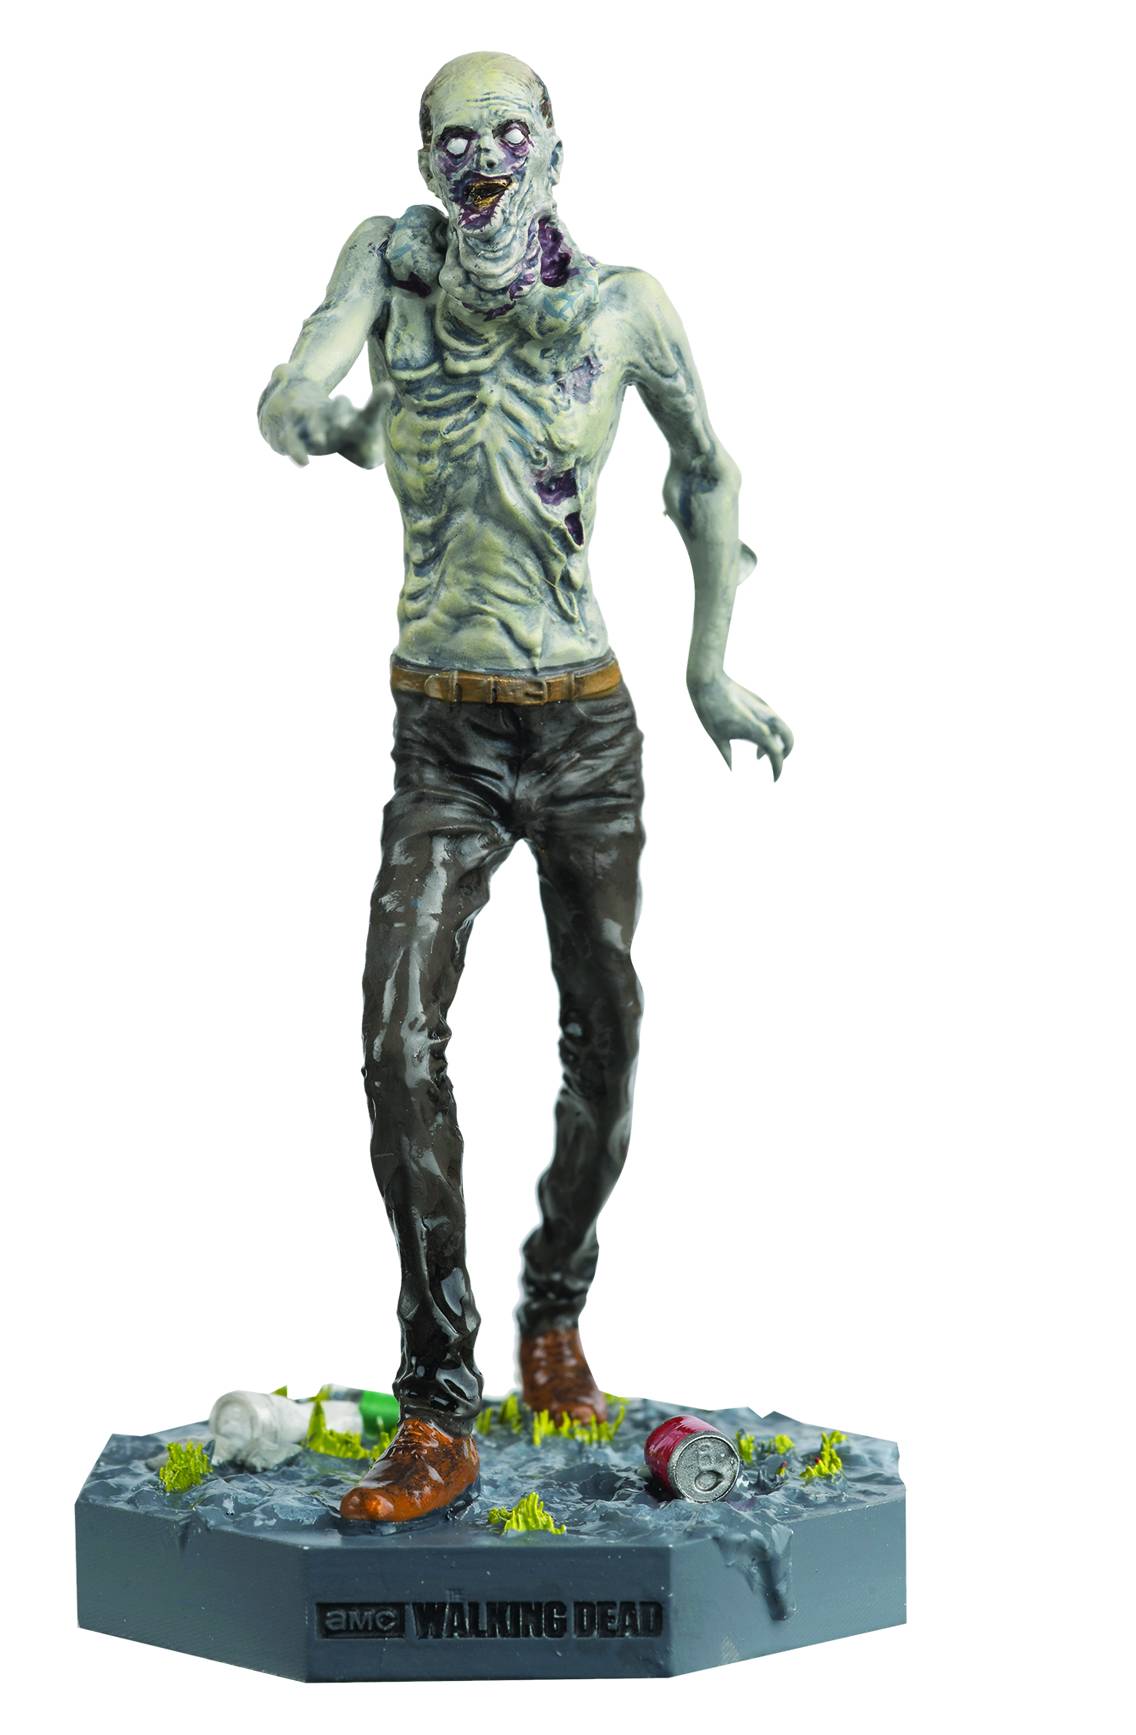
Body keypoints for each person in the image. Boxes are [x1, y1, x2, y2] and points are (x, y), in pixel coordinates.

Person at [258, 51, 792, 1523]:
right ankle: (439, 1405)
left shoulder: (622, 308)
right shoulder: (389, 269)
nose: (482, 159)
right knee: (394, 1039)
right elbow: (306, 364)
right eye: (455, 138)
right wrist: (300, 402)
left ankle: (554, 1306)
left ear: (554, 149)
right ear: (425, 160)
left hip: (583, 734)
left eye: (509, 133)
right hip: (441, 732)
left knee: (605, 1037)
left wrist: (710, 668)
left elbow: (707, 470)